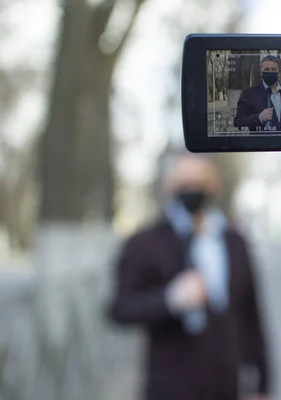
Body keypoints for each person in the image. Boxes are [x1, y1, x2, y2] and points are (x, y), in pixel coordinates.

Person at [108, 153, 271, 400]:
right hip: (170, 387)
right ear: (169, 186)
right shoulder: (145, 243)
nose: (192, 190)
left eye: (199, 183)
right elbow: (120, 308)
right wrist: (171, 299)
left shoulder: (235, 242)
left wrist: (262, 384)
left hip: (226, 385)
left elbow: (251, 314)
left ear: (214, 186)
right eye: (184, 183)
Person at [233, 55, 281, 134]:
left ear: (279, 71)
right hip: (260, 145)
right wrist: (259, 118)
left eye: (273, 69)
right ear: (261, 71)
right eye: (266, 69)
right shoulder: (249, 94)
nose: (270, 72)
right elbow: (238, 121)